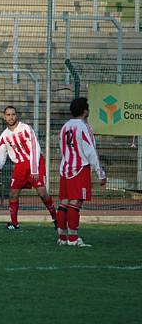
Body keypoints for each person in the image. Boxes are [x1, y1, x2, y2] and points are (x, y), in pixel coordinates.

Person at [0, 106, 57, 230]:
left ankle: (56, 219)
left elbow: (34, 147)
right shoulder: (4, 136)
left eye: (13, 114)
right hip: (20, 165)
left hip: (35, 162)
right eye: (8, 115)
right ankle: (14, 223)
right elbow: (1, 152)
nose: (11, 117)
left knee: (42, 193)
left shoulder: (25, 128)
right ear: (4, 117)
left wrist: (34, 168)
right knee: (13, 193)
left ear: (16, 115)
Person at [57, 97, 107, 247]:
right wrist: (100, 173)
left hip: (65, 168)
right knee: (75, 202)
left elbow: (62, 148)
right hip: (79, 169)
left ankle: (62, 237)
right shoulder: (84, 127)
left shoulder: (65, 126)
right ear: (85, 111)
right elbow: (90, 150)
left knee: (64, 202)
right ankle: (73, 239)